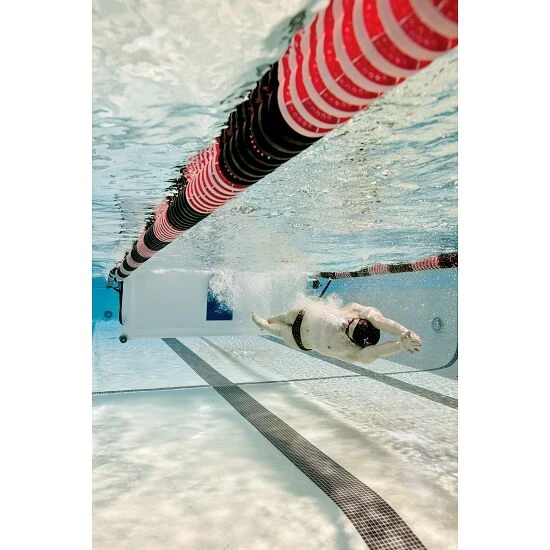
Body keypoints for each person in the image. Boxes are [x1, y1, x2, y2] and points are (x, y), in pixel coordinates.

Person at [251, 299, 422, 365]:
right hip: (300, 315)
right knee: (280, 317)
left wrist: (401, 345)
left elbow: (375, 352)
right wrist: (404, 332)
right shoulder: (358, 311)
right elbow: (380, 320)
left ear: (354, 341)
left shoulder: (355, 352)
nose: (345, 324)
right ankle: (268, 319)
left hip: (299, 339)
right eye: (351, 322)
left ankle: (263, 324)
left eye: (348, 330)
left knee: (275, 329)